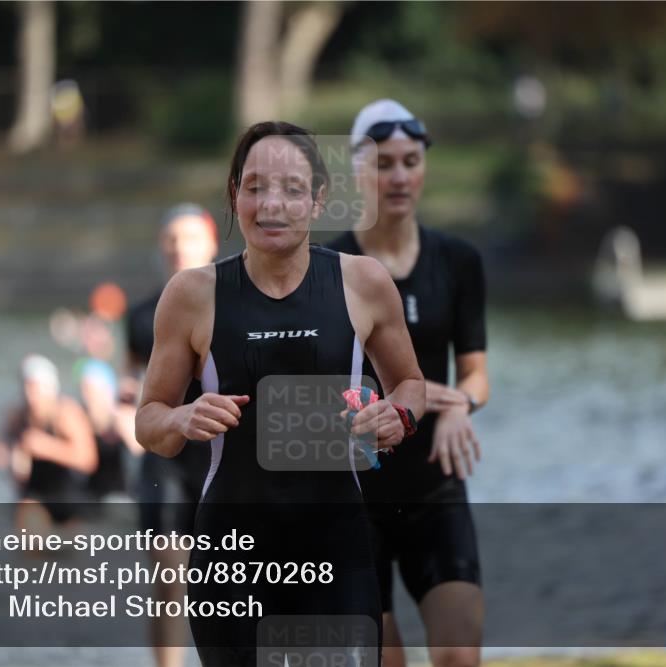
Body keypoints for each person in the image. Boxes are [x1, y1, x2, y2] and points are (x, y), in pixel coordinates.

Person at [135, 121, 426, 666]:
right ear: (234, 196)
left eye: (293, 189)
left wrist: (398, 418)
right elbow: (148, 422)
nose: (273, 204)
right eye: (255, 187)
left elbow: (410, 385)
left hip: (335, 550)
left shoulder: (363, 282)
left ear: (318, 201)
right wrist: (182, 418)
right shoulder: (193, 294)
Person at [327, 99, 490, 667]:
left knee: (458, 655)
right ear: (358, 172)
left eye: (410, 161)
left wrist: (461, 405)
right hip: (352, 494)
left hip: (433, 487)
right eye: (384, 163)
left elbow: (475, 374)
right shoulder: (328, 266)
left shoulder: (458, 261)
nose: (399, 176)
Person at [124, 203, 219, 667]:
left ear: (212, 244)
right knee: (170, 576)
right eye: (172, 239)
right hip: (165, 455)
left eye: (190, 238)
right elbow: (128, 383)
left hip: (223, 455)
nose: (180, 247)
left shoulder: (239, 308)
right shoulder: (142, 314)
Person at [0, 354, 97, 528]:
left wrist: (46, 447)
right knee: (27, 523)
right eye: (27, 388)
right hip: (34, 495)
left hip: (67, 496)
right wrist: (9, 457)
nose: (31, 396)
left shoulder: (65, 414)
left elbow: (87, 459)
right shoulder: (16, 416)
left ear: (49, 389)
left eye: (35, 389)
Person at [78, 358, 142, 501]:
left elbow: (142, 459)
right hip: (91, 497)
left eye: (90, 391)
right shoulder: (81, 420)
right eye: (83, 390)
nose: (86, 397)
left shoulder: (122, 418)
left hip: (122, 497)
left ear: (107, 391)